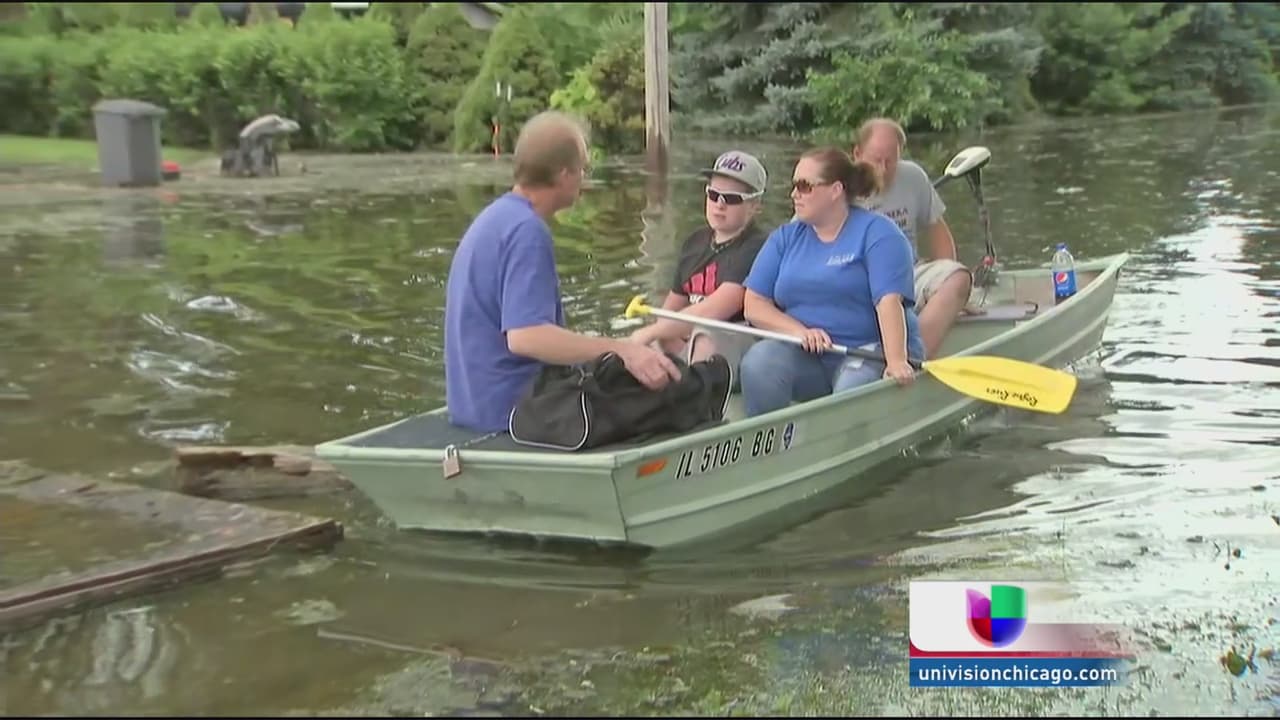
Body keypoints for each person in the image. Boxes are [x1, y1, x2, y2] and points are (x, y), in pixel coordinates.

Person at [443, 111, 682, 433]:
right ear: (563, 174)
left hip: (472, 406)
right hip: (514, 412)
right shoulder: (527, 231)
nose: (584, 179)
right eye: (582, 169)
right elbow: (527, 337)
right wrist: (621, 350)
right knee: (665, 396)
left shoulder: (493, 218)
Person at [738, 147, 924, 418]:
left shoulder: (880, 233)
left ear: (836, 190)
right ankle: (772, 443)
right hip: (810, 355)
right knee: (758, 363)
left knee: (850, 391)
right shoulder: (785, 238)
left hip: (871, 350)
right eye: (794, 186)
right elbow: (754, 304)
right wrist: (799, 332)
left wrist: (896, 361)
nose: (794, 195)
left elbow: (888, 301)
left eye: (804, 186)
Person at [628, 150, 769, 372]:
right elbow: (671, 309)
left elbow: (720, 307)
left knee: (705, 334)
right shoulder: (694, 242)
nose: (719, 204)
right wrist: (652, 337)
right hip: (695, 342)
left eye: (731, 199)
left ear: (754, 205)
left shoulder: (759, 245)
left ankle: (696, 396)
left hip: (739, 344)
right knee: (659, 337)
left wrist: (652, 333)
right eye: (713, 194)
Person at [851, 117, 972, 360]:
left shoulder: (913, 177)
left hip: (909, 275)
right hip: (859, 283)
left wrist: (948, 290)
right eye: (876, 161)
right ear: (857, 154)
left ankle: (914, 358)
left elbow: (938, 232)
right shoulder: (838, 186)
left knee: (958, 278)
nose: (883, 170)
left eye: (890, 161)